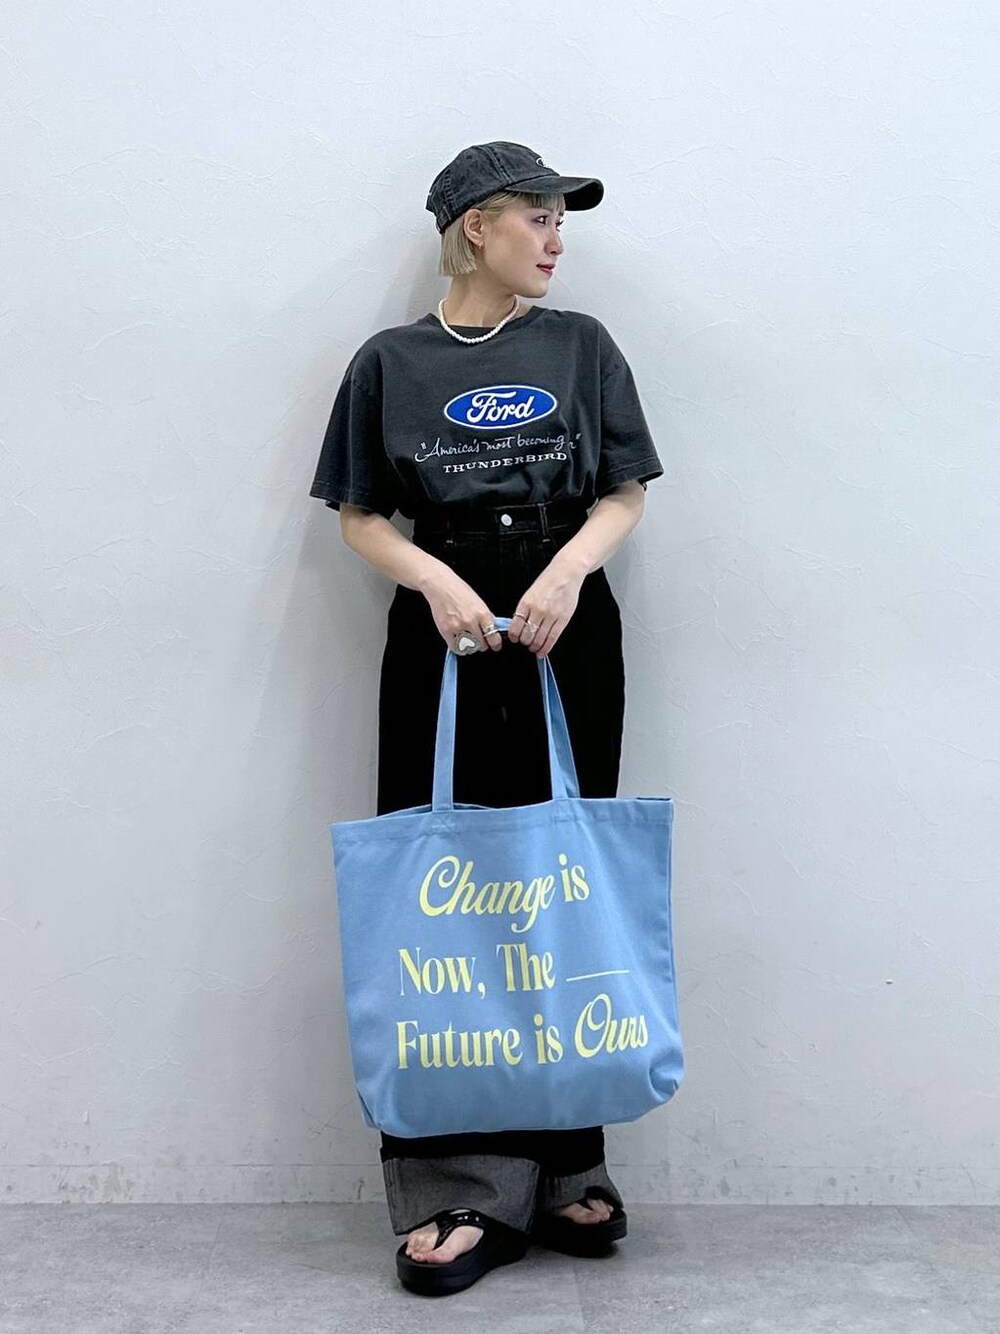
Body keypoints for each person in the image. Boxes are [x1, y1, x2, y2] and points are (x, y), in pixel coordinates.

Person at [309, 141, 664, 1296]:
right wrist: (434, 579)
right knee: (448, 894)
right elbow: (360, 515)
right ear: (476, 226)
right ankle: (458, 1182)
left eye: (561, 221)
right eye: (538, 217)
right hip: (444, 635)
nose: (556, 239)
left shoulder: (580, 345)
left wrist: (565, 572)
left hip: (566, 630)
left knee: (560, 880)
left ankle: (565, 1163)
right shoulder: (391, 362)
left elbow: (622, 490)